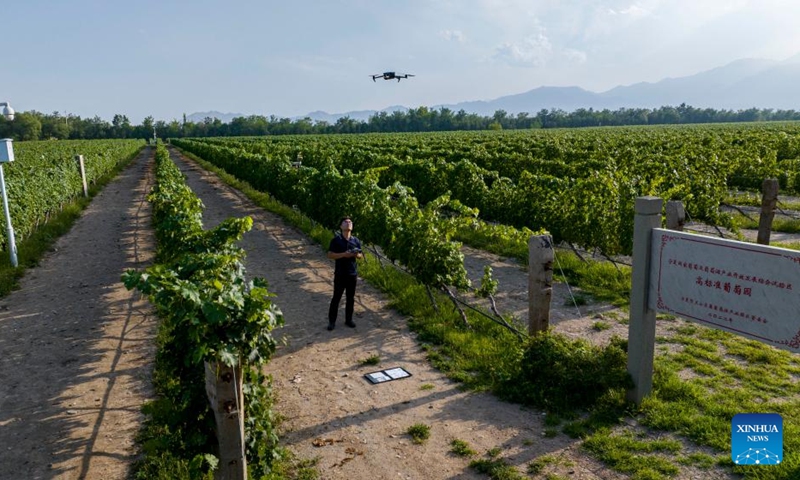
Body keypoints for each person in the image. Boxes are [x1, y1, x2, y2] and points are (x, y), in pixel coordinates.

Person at [327, 216, 363, 330]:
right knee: (336, 297)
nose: (348, 223)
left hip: (352, 273)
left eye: (350, 222)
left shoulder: (356, 240)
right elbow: (330, 254)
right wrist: (343, 254)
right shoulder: (336, 240)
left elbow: (361, 255)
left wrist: (356, 254)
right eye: (345, 222)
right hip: (340, 273)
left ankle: (349, 319)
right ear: (341, 226)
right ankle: (332, 322)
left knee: (350, 298)